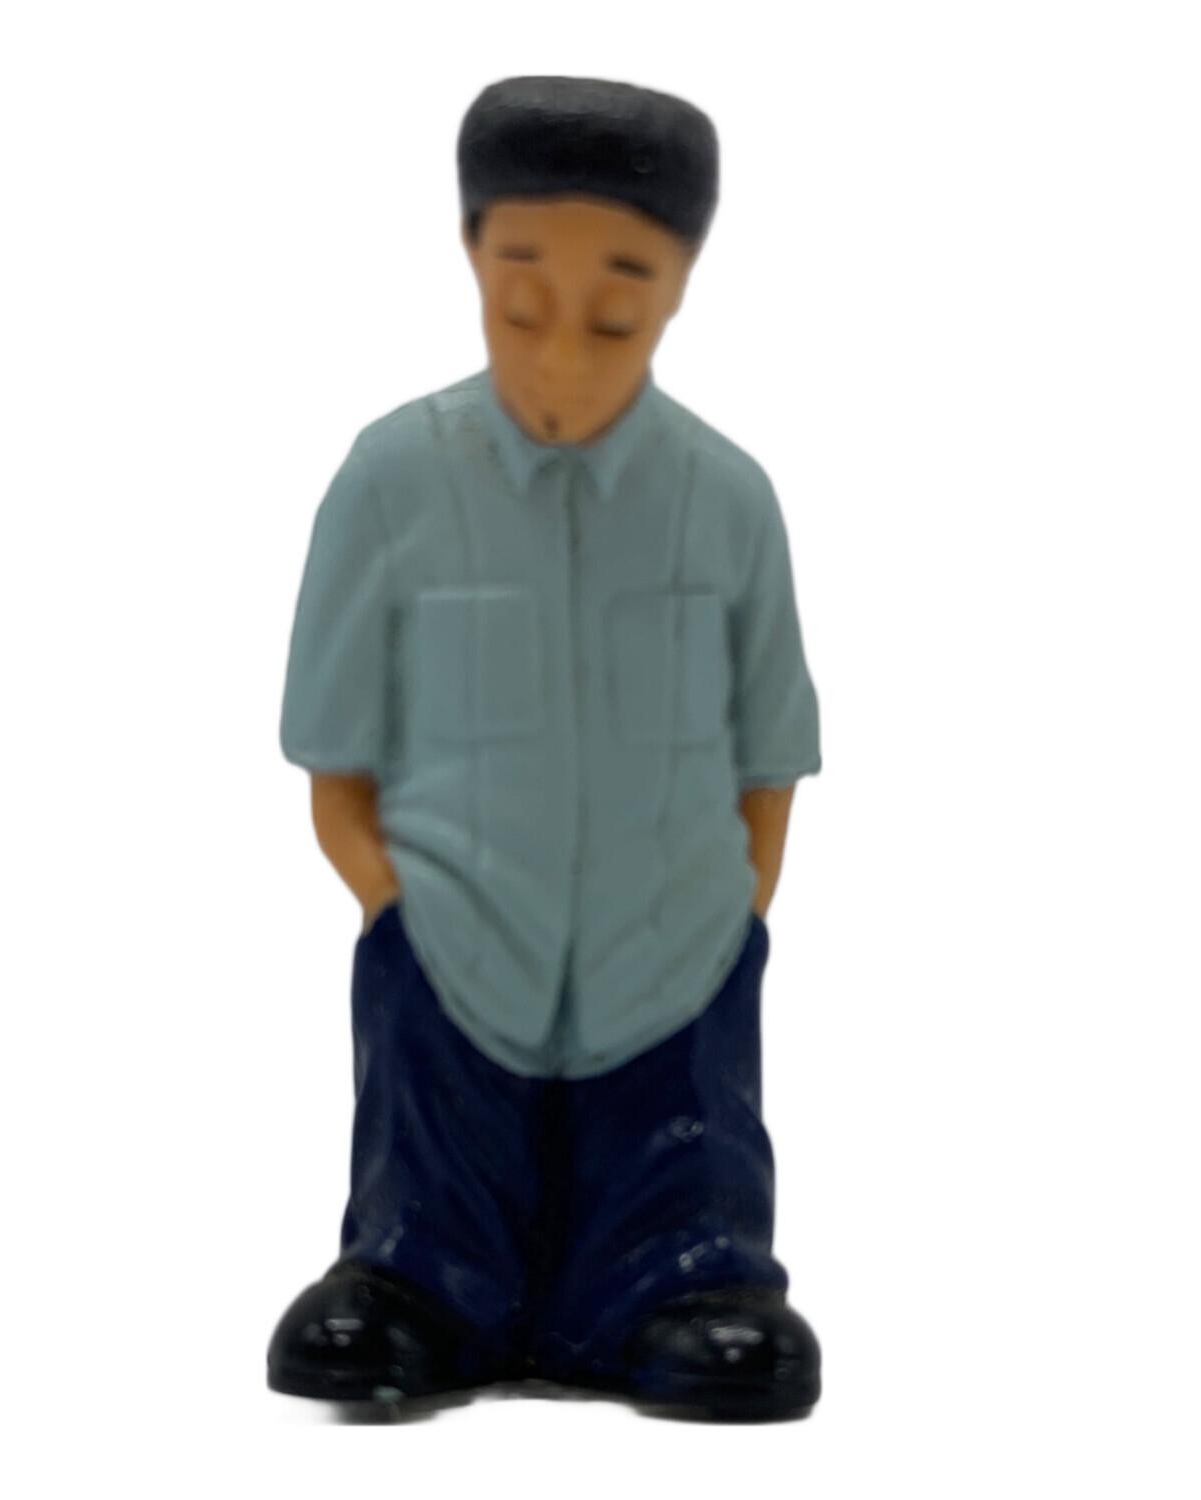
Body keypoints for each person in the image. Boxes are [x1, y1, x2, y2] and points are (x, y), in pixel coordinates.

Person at [266, 75, 824, 1420]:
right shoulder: (391, 483)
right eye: (523, 302)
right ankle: (415, 1281)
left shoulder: (729, 504)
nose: (564, 352)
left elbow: (770, 763)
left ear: (676, 289)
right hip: (453, 960)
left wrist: (728, 918)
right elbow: (334, 763)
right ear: (473, 258)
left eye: (616, 310)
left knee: (685, 1179)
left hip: (673, 970)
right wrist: (395, 907)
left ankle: (684, 1280)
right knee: (431, 1175)